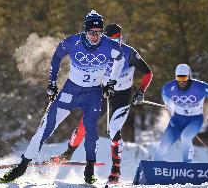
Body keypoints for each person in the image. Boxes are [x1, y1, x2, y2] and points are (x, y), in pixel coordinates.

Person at [0, 10, 125, 184]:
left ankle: (89, 171)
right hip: (70, 92)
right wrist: (52, 83)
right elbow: (56, 58)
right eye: (91, 32)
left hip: (93, 94)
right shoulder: (72, 42)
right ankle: (21, 167)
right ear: (85, 31)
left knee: (91, 131)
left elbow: (120, 60)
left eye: (99, 32)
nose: (95, 36)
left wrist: (111, 82)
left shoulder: (109, 45)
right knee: (46, 128)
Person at [50, 23, 153, 183]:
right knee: (85, 124)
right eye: (112, 39)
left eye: (119, 38)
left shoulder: (129, 53)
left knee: (113, 129)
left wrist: (140, 92)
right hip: (104, 93)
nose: (116, 42)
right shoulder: (99, 51)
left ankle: (116, 170)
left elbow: (148, 73)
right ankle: (67, 154)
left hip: (122, 96)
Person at [154, 64, 208, 162]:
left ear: (189, 77)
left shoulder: (200, 87)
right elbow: (164, 94)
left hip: (195, 120)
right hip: (177, 120)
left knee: (185, 137)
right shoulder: (168, 88)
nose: (181, 80)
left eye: (184, 77)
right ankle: (155, 168)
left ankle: (187, 165)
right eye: (179, 77)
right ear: (175, 77)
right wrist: (169, 104)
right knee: (163, 146)